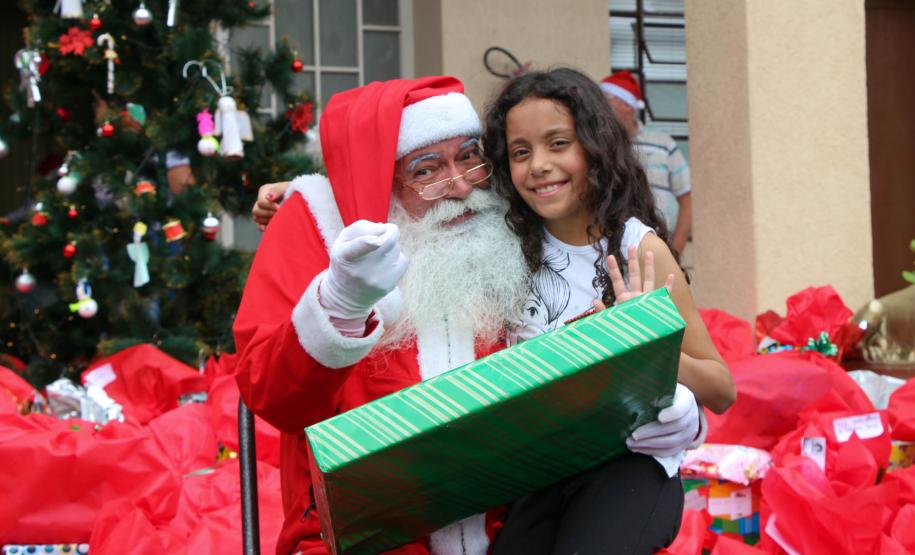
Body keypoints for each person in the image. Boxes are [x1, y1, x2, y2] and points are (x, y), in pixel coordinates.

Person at [240, 75, 715, 555]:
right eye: (426, 170)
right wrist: (341, 300)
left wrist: (671, 409)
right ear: (377, 178)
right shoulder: (323, 233)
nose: (461, 186)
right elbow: (272, 394)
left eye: (470, 156)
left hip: (517, 521)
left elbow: (574, 346)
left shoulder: (508, 220)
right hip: (374, 536)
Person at [481, 67, 735, 553]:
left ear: (595, 148)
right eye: (520, 151)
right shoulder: (506, 256)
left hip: (630, 471)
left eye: (558, 143)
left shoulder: (641, 250)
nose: (538, 164)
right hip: (543, 475)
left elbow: (722, 388)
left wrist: (643, 348)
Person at [599, 70, 693, 255]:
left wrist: (676, 250)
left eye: (606, 99)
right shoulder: (599, 146)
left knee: (661, 286)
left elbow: (687, 198)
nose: (599, 107)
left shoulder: (663, 143)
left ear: (627, 104)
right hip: (610, 255)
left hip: (658, 250)